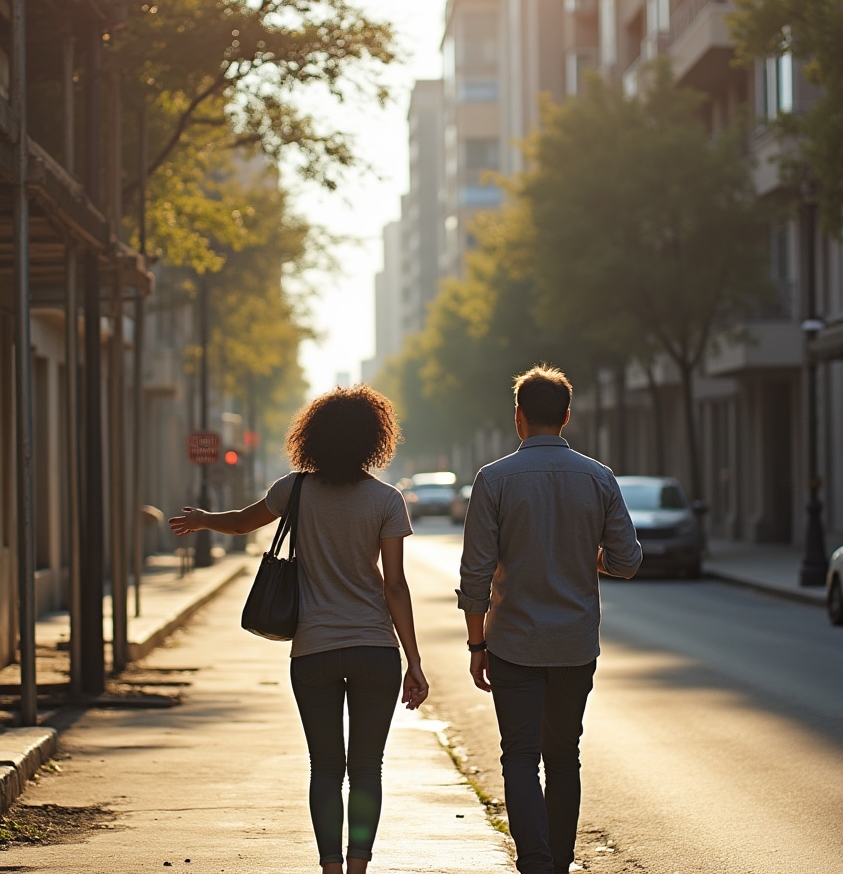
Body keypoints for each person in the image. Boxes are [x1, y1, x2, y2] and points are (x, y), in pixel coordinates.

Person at [170, 385, 428, 874]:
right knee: (367, 768)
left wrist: (204, 521)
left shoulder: (295, 489)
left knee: (326, 768)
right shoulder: (387, 499)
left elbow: (245, 523)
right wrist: (414, 661)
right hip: (375, 650)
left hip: (313, 651)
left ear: (315, 436)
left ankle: (329, 867)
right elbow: (394, 585)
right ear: (374, 439)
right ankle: (357, 867)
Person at [456, 365, 642, 874]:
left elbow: (474, 574)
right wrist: (591, 557)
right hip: (574, 645)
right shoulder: (599, 478)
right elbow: (627, 560)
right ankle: (558, 863)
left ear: (518, 416)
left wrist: (478, 647)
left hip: (513, 642)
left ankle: (534, 861)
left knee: (519, 754)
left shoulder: (492, 480)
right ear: (565, 416)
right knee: (564, 757)